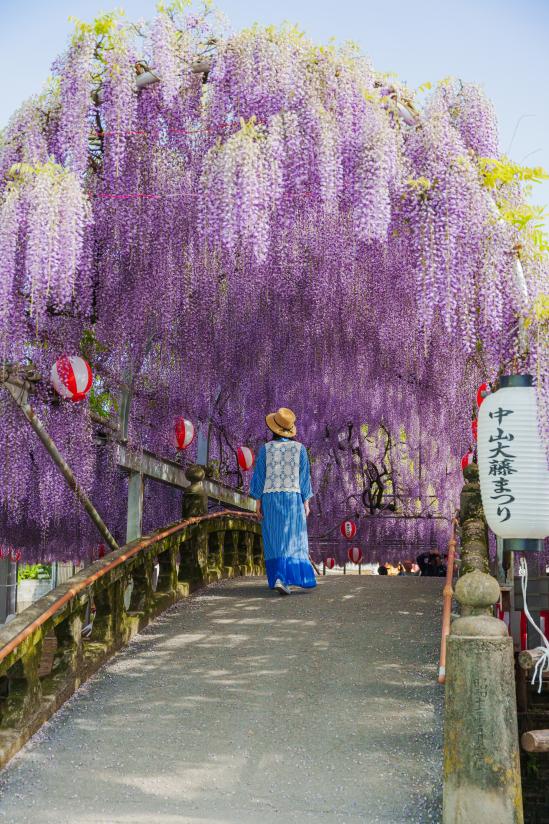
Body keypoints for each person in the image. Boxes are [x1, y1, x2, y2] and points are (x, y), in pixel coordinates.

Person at [250, 407, 316, 596]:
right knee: (293, 537)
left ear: (273, 429)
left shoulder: (265, 449)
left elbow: (259, 477)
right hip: (293, 498)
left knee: (274, 537)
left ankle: (279, 577)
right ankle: (287, 578)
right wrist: (306, 502)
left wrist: (257, 501)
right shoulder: (300, 449)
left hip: (270, 498)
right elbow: (304, 478)